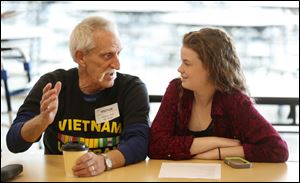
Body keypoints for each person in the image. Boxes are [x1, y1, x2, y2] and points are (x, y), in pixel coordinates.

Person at [6, 16, 150, 177]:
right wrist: (42, 120)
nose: (117, 64)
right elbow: (14, 143)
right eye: (107, 55)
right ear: (80, 57)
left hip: (113, 175)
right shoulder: (53, 85)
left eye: (118, 53)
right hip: (61, 176)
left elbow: (140, 142)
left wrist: (104, 161)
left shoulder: (131, 88)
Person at [148, 27, 289, 162]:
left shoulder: (234, 101)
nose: (180, 69)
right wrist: (215, 142)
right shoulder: (176, 90)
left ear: (211, 68)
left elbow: (278, 150)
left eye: (187, 63)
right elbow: (154, 146)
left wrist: (219, 153)